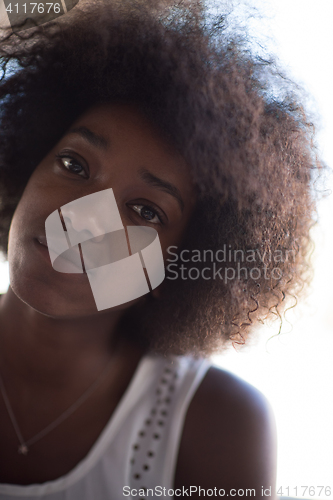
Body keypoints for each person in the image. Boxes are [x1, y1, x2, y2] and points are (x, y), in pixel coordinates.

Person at [0, 0, 323, 498]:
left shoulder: (215, 427)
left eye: (146, 212)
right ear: (28, 167)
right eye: (73, 164)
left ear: (176, 266)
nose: (80, 220)